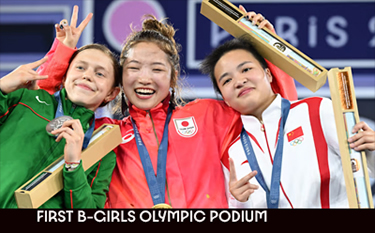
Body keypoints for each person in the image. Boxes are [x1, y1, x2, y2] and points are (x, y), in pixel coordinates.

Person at [35, 5, 297, 208]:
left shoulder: (207, 116)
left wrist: (269, 44)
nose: (144, 78)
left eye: (157, 69)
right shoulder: (104, 134)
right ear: (120, 81)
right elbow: (39, 115)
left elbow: (277, 110)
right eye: (133, 68)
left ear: (172, 78)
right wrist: (62, 55)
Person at [199, 35, 375, 208]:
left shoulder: (317, 110)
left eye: (246, 69)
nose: (239, 81)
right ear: (225, 98)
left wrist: (373, 150)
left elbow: (365, 170)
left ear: (268, 74)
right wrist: (239, 203)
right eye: (227, 80)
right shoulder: (233, 153)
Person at [0, 42, 121, 208]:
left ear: (111, 93)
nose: (87, 76)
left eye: (100, 74)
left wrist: (73, 165)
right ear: (64, 76)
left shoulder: (101, 150)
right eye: (80, 67)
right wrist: (2, 87)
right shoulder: (25, 98)